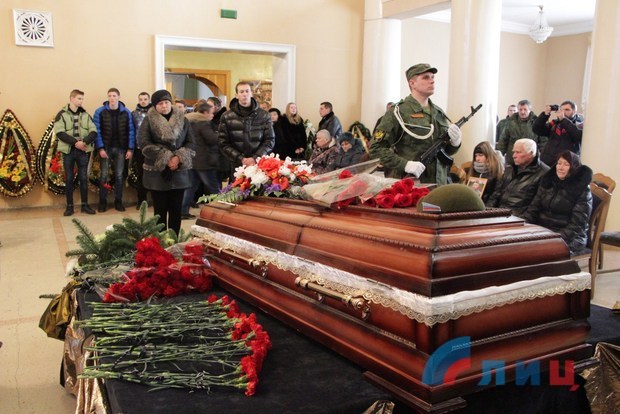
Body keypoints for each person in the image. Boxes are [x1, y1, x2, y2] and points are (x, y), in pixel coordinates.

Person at [369, 63, 462, 184]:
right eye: (426, 77)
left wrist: (455, 143)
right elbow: (376, 149)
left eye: (432, 77)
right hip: (411, 184)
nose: (432, 81)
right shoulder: (398, 112)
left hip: (439, 184)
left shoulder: (439, 112)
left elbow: (445, 151)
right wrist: (405, 164)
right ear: (412, 83)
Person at [138, 89, 195, 235]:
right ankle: (161, 240)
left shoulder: (183, 119)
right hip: (157, 172)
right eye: (160, 104)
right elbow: (144, 143)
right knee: (160, 211)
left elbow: (191, 142)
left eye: (166, 102)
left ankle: (174, 239)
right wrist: (166, 157)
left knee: (176, 210)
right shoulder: (148, 120)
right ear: (155, 105)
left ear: (171, 103)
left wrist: (178, 157)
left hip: (178, 171)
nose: (164, 106)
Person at [524, 150, 592, 254]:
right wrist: (523, 227)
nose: (560, 167)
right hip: (545, 231)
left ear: (574, 168)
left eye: (566, 164)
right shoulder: (548, 182)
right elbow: (533, 209)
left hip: (571, 238)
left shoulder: (582, 190)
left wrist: (553, 238)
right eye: (559, 163)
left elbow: (577, 225)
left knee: (539, 252)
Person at [53, 89, 97, 216]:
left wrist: (84, 142)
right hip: (68, 151)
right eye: (79, 98)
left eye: (82, 99)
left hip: (83, 150)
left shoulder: (85, 115)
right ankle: (69, 207)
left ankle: (85, 205)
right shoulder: (61, 114)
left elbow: (93, 131)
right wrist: (75, 143)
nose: (81, 101)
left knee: (83, 178)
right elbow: (60, 132)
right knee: (69, 178)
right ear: (72, 99)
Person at [93, 88, 135, 212]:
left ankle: (118, 201)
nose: (112, 98)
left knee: (119, 176)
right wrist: (100, 148)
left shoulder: (126, 112)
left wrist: (130, 149)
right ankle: (102, 202)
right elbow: (97, 131)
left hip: (121, 149)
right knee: (104, 175)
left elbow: (131, 131)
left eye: (114, 96)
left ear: (118, 97)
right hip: (105, 149)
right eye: (110, 96)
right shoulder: (100, 112)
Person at [486, 138, 549, 218]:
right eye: (514, 152)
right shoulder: (509, 169)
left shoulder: (544, 173)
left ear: (531, 154)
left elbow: (536, 206)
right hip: (500, 214)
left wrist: (522, 220)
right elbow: (496, 194)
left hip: (519, 217)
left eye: (518, 152)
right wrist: (486, 212)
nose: (514, 156)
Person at [218, 81, 275, 169]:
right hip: (237, 164)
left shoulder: (264, 115)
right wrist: (241, 159)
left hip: (259, 163)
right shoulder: (226, 116)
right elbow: (223, 142)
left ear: (251, 93)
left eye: (247, 91)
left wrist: (255, 157)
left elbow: (270, 140)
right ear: (236, 95)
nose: (245, 94)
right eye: (241, 92)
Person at [181, 101, 221, 219]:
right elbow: (211, 139)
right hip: (204, 161)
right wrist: (218, 135)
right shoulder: (203, 123)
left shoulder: (189, 120)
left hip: (193, 160)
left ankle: (182, 211)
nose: (212, 115)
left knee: (190, 187)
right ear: (205, 112)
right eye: (211, 113)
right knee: (213, 187)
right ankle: (222, 209)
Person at [533, 100, 584, 166]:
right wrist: (544, 115)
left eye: (567, 110)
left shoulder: (579, 124)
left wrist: (563, 120)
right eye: (561, 110)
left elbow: (578, 136)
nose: (563, 112)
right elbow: (537, 129)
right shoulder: (555, 123)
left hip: (565, 163)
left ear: (574, 111)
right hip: (547, 162)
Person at [496, 99, 544, 165]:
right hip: (512, 160)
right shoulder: (511, 122)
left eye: (525, 109)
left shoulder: (537, 123)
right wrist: (498, 158)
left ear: (530, 110)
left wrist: (542, 158)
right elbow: (503, 140)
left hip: (529, 160)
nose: (522, 112)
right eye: (520, 109)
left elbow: (543, 142)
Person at [131, 91, 152, 209]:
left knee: (154, 174)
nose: (143, 101)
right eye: (141, 99)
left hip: (153, 149)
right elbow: (131, 130)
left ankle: (155, 199)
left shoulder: (154, 113)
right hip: (139, 149)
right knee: (141, 174)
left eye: (145, 99)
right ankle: (141, 201)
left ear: (149, 100)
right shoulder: (134, 114)